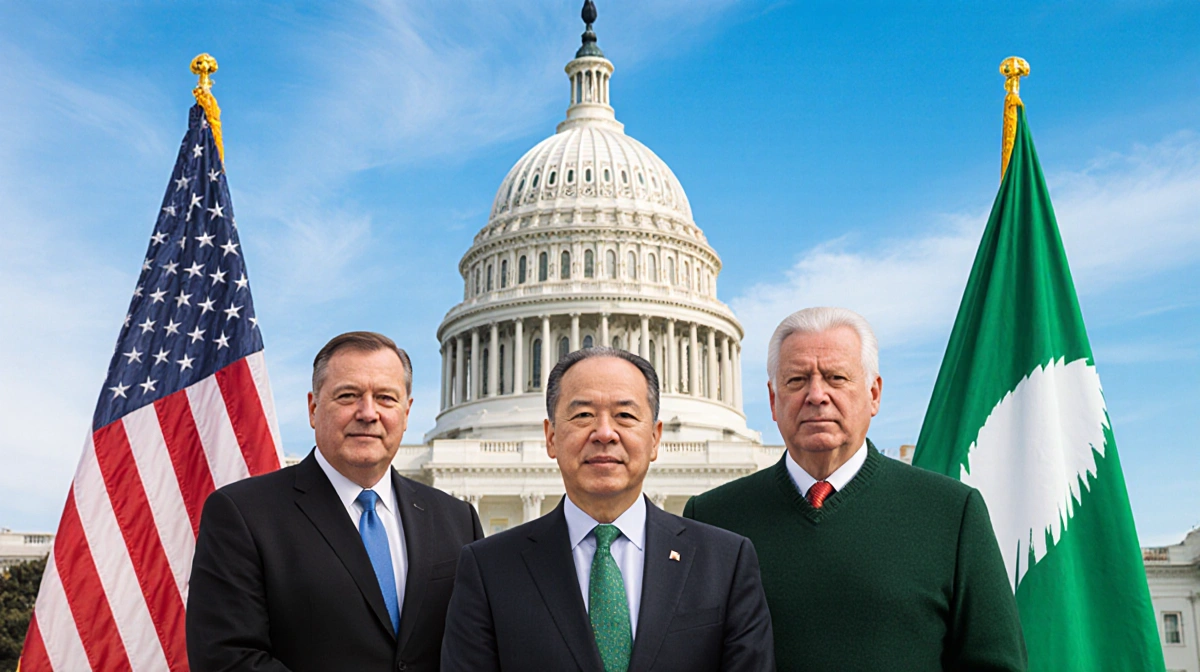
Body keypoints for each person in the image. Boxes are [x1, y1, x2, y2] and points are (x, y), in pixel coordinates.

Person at [684, 307, 1027, 672]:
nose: (817, 395)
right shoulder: (712, 519)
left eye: (836, 378)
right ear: (772, 400)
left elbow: (995, 664)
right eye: (797, 380)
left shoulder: (951, 512)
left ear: (874, 394)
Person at [441, 347, 775, 671]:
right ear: (551, 437)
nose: (604, 433)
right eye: (583, 414)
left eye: (625, 416)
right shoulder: (488, 569)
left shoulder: (725, 562)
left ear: (655, 439)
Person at [187, 331, 483, 672]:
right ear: (313, 409)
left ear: (406, 412)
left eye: (386, 398)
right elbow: (226, 658)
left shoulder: (456, 519)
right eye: (348, 396)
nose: (368, 413)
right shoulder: (243, 515)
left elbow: (476, 650)